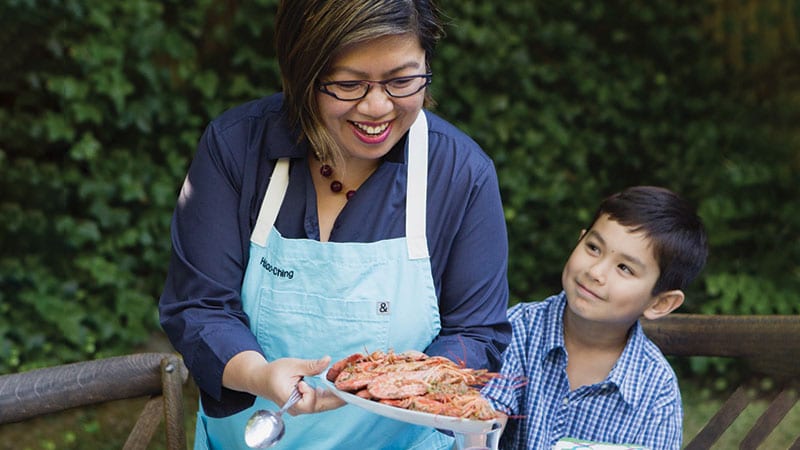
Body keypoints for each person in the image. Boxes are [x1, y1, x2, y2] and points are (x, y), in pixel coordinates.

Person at [158, 1, 512, 448]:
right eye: (349, 84)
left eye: (402, 80)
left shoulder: (460, 174)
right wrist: (260, 374)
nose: (378, 106)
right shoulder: (236, 148)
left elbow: (477, 332)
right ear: (302, 75)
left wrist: (406, 383)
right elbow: (199, 306)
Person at [482, 186, 708, 450]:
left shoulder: (656, 390)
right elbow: (484, 418)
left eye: (624, 268)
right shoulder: (520, 328)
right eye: (593, 248)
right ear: (579, 240)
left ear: (661, 303)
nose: (596, 271)